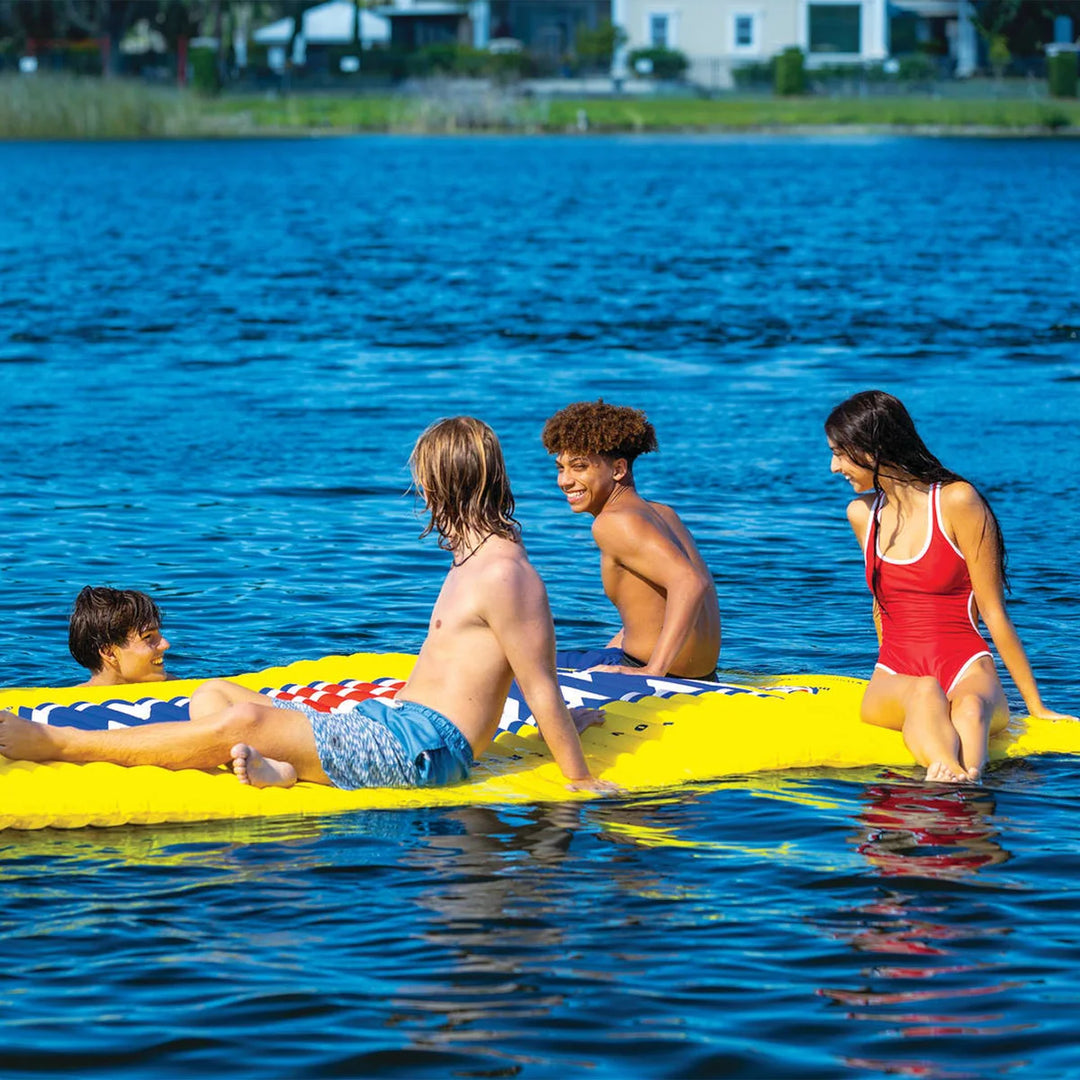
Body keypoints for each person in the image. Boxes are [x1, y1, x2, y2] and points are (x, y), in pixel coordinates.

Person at [0, 418, 617, 796]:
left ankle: (54, 744)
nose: (420, 495)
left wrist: (578, 775)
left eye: (425, 483)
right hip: (393, 726)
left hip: (427, 752)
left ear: (449, 485)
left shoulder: (507, 574)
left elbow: (536, 681)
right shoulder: (473, 560)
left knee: (239, 725)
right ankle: (283, 770)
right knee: (216, 696)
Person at [826, 389, 1075, 783]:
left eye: (840, 452)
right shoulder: (862, 514)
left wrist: (1037, 707)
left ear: (871, 449)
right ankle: (946, 767)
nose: (834, 466)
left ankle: (967, 775)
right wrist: (887, 670)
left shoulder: (958, 501)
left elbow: (993, 611)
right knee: (923, 692)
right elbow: (881, 605)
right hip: (897, 670)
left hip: (965, 664)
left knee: (971, 707)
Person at [541, 400, 720, 680]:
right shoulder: (664, 513)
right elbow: (651, 606)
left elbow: (690, 583)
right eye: (561, 468)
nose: (564, 480)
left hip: (657, 673)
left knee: (503, 662)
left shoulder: (613, 522)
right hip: (701, 674)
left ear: (618, 469)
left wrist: (653, 670)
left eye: (579, 467)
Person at [68, 586, 171, 686]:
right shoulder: (66, 701)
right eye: (147, 637)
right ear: (109, 653)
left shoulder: (180, 688)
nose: (166, 644)